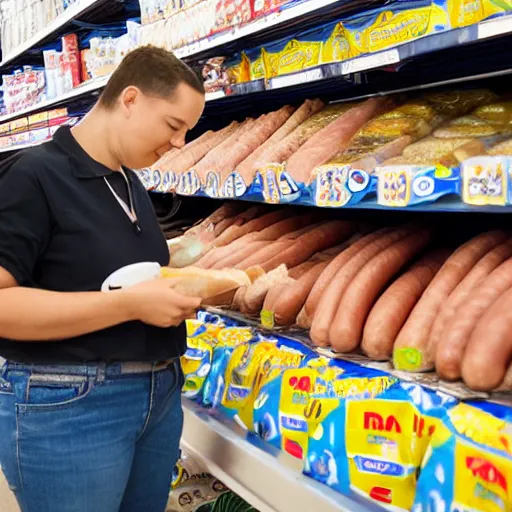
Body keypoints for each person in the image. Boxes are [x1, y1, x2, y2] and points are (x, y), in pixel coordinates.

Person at [0, 46, 206, 512]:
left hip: (157, 394)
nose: (179, 143)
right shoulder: (32, 176)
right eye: (174, 126)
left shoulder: (127, 182)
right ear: (129, 99)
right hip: (71, 405)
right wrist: (130, 305)